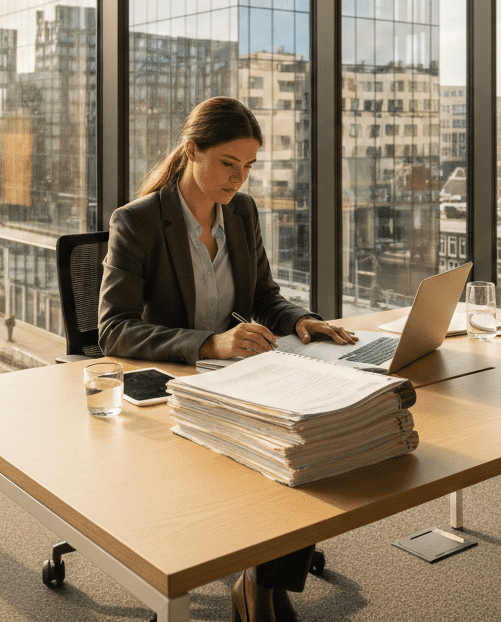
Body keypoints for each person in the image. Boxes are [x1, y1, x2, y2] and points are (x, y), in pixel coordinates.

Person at [99, 96, 356, 622]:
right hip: (181, 384)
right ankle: (262, 587)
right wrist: (207, 344)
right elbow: (113, 329)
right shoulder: (138, 222)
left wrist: (298, 320)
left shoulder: (241, 212)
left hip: (244, 375)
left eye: (248, 168)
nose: (238, 180)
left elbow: (264, 295)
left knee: (308, 436)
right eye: (227, 164)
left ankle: (262, 581)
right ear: (192, 151)